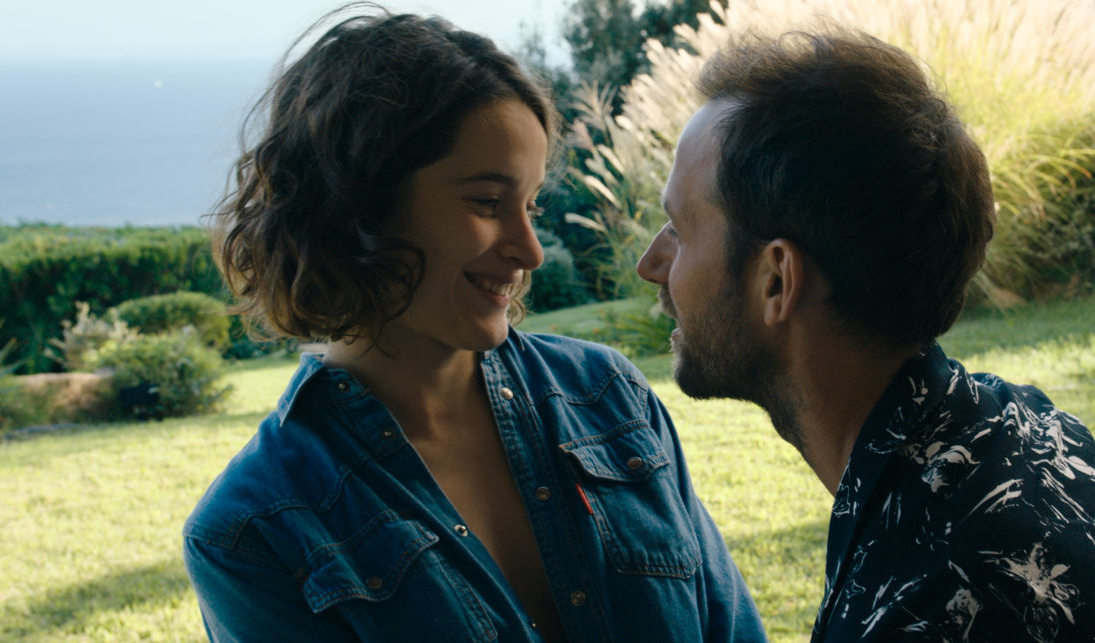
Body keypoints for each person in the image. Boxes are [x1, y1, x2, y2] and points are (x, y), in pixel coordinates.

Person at [183, 7, 766, 642]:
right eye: (487, 202)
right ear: (357, 202)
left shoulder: (609, 396)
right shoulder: (254, 531)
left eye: (531, 205)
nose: (531, 250)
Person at [636, 30, 1095, 642]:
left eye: (679, 229)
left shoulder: (932, 603)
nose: (651, 263)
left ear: (777, 280)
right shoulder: (1033, 429)